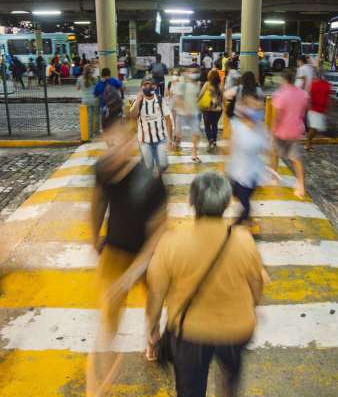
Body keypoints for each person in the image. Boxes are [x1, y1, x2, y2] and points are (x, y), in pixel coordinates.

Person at [146, 171, 264, 397]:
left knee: (190, 389)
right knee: (230, 377)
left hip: (191, 333)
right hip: (235, 329)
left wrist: (152, 333)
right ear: (227, 202)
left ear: (192, 202)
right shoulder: (243, 239)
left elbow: (156, 295)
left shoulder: (172, 242)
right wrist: (253, 308)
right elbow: (256, 284)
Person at [87, 118, 168, 395]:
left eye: (119, 143)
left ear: (132, 144)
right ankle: (103, 364)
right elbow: (98, 202)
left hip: (149, 256)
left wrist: (134, 272)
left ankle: (152, 337)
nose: (112, 150)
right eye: (108, 143)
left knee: (153, 302)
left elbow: (158, 233)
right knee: (109, 311)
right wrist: (93, 236)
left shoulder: (151, 181)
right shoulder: (102, 170)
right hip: (115, 249)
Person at [227, 94, 269, 225]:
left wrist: (272, 170)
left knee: (245, 201)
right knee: (241, 199)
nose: (259, 111)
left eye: (259, 108)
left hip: (253, 172)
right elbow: (230, 148)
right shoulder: (236, 126)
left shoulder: (261, 128)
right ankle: (242, 220)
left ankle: (241, 221)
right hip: (237, 171)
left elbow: (268, 148)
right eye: (254, 107)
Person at [271, 69, 309, 198]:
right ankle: (301, 185)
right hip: (296, 129)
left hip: (281, 130)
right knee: (296, 159)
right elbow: (304, 110)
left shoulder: (280, 94)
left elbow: (278, 115)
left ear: (284, 80)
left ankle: (274, 178)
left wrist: (273, 129)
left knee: (275, 154)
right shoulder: (303, 94)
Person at [130, 75, 174, 173]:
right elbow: (132, 116)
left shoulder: (160, 100)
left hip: (160, 139)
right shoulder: (139, 101)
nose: (148, 87)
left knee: (163, 165)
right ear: (141, 87)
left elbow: (168, 120)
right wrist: (137, 101)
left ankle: (159, 178)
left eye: (150, 85)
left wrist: (170, 139)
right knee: (148, 167)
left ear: (154, 87)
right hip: (144, 141)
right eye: (145, 85)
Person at [175, 70, 203, 163]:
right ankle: (177, 142)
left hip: (194, 113)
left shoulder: (197, 85)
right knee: (178, 135)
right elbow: (178, 99)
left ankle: (194, 154)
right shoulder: (182, 84)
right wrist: (185, 109)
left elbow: (196, 98)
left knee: (196, 133)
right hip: (182, 114)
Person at [306, 68, 332, 150]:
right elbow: (309, 96)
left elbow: (327, 98)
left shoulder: (324, 85)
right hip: (314, 109)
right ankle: (307, 144)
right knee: (314, 127)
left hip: (320, 109)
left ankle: (309, 143)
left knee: (315, 128)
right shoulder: (316, 84)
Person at [198, 69, 223, 152]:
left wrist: (197, 101)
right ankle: (214, 140)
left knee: (207, 125)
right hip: (218, 109)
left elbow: (201, 94)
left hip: (207, 108)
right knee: (214, 124)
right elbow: (222, 96)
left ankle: (210, 140)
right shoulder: (220, 85)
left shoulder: (207, 84)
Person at [77, 64, 99, 138]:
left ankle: (89, 134)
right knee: (96, 117)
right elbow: (97, 87)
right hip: (94, 100)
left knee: (88, 118)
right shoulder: (95, 78)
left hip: (85, 100)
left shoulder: (80, 78)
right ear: (91, 70)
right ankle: (96, 132)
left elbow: (77, 88)